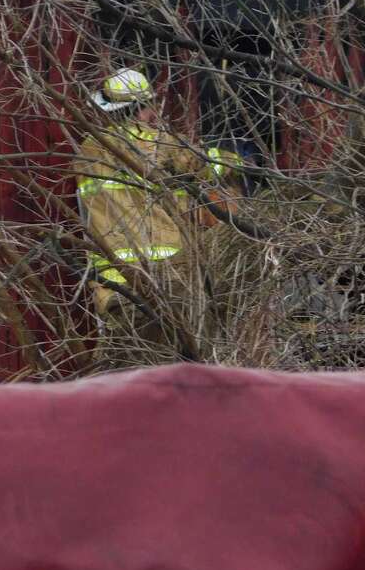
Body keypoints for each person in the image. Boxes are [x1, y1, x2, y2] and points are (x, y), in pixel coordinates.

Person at [73, 68, 242, 358]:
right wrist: (241, 161)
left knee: (132, 361)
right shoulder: (158, 144)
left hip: (114, 282)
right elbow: (210, 164)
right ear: (142, 108)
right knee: (186, 356)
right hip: (170, 275)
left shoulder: (87, 150)